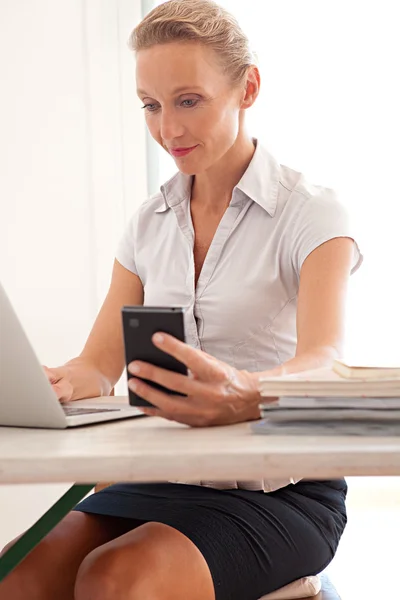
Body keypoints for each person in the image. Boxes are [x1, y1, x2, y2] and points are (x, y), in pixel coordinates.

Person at [0, 1, 363, 599]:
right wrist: (51, 383)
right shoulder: (148, 224)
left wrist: (247, 391)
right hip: (155, 475)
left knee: (117, 579)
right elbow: (98, 366)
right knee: (16, 571)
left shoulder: (313, 213)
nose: (168, 128)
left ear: (247, 88)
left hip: (279, 490)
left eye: (188, 100)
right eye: (151, 104)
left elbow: (327, 363)